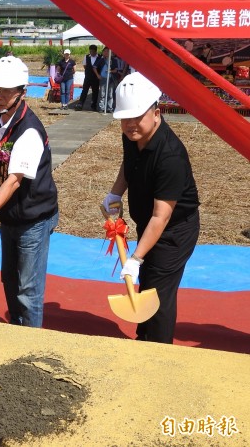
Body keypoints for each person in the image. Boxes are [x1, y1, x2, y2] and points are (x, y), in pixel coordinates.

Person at [102, 72, 200, 344]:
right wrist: (115, 192)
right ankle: (144, 338)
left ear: (156, 113)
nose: (130, 124)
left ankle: (159, 351)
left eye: (137, 117)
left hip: (174, 231)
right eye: (125, 118)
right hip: (149, 223)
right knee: (146, 283)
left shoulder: (170, 156)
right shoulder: (132, 134)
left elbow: (162, 215)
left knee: (158, 293)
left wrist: (135, 258)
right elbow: (128, 162)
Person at [0, 56, 59, 328]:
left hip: (33, 219)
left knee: (28, 289)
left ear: (22, 92)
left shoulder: (29, 130)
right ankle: (16, 331)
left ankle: (30, 344)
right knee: (9, 280)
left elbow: (14, 180)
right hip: (10, 215)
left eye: (5, 91)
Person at [75, 44, 100, 111]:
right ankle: (80, 104)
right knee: (84, 90)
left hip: (96, 78)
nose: (91, 53)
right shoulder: (86, 57)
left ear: (95, 51)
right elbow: (85, 66)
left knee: (95, 92)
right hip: (88, 77)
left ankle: (93, 105)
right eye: (90, 51)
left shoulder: (100, 57)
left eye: (93, 51)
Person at [97, 47, 118, 113]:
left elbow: (116, 70)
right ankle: (101, 107)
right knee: (102, 93)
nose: (106, 53)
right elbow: (94, 67)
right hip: (103, 78)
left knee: (110, 94)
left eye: (107, 51)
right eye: (105, 51)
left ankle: (110, 108)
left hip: (111, 79)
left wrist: (110, 71)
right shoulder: (101, 60)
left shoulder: (114, 60)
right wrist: (98, 75)